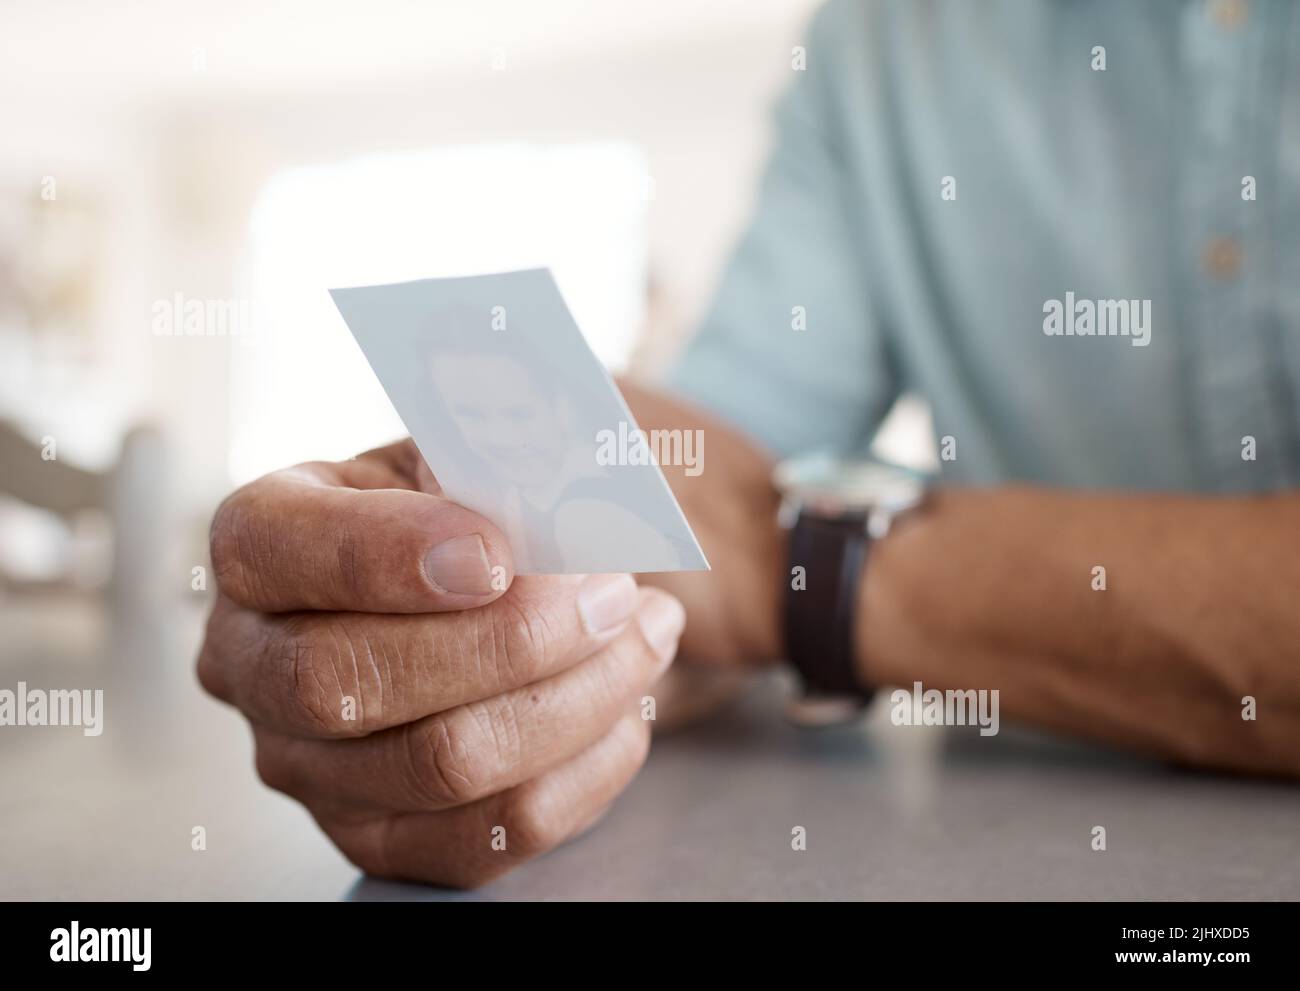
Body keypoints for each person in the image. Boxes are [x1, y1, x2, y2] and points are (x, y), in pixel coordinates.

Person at [197, 0, 1300, 888]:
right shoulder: (883, 38)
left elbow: (735, 530)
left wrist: (800, 569)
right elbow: (701, 506)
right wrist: (506, 620)